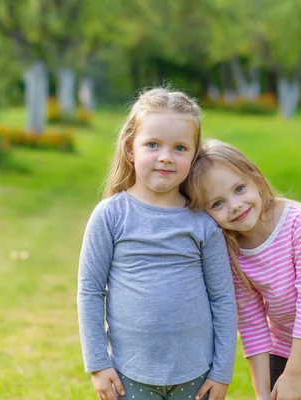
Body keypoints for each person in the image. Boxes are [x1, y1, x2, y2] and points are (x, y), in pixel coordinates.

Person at [77, 89, 237, 400]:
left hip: (196, 374)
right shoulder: (110, 216)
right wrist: (98, 364)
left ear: (194, 156)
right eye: (153, 144)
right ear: (130, 149)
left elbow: (222, 300)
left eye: (179, 147)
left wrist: (221, 371)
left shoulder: (203, 223)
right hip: (128, 373)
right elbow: (90, 291)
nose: (165, 157)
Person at [185, 140, 301, 400]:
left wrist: (294, 374)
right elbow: (251, 320)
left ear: (256, 180)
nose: (235, 205)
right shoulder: (230, 249)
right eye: (217, 204)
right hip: (282, 345)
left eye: (239, 189)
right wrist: (262, 393)